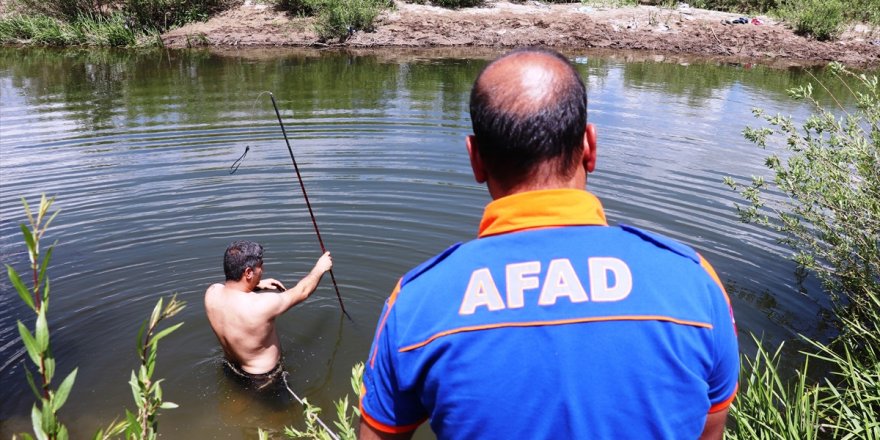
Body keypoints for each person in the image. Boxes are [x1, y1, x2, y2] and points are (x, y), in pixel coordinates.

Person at [358, 48, 739, 440]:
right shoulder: (694, 283)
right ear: (590, 146)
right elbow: (708, 430)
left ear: (475, 160)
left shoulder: (416, 304)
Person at [205, 240, 332, 388]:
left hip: (230, 368)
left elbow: (233, 290)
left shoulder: (212, 293)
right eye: (260, 267)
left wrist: (256, 284)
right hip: (265, 380)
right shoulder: (263, 305)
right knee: (286, 411)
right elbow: (302, 292)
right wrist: (320, 267)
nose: (262, 270)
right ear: (248, 272)